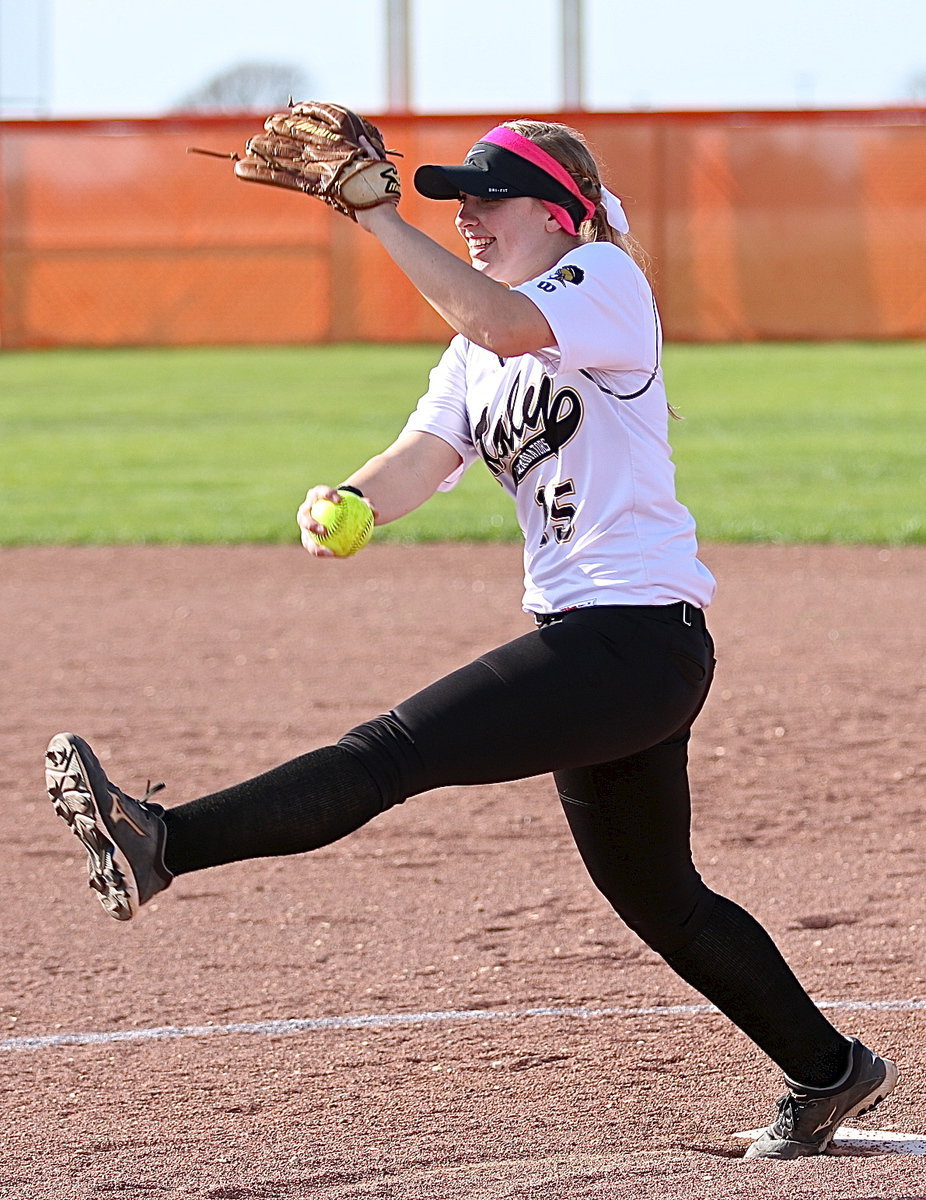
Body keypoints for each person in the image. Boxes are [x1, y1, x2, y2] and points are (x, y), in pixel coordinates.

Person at [45, 118, 896, 1160]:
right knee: (661, 900)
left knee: (392, 752)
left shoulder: (603, 283)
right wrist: (351, 497)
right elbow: (423, 450)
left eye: (484, 199)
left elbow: (499, 323)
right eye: (455, 200)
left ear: (555, 211)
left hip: (631, 641)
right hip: (604, 653)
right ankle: (827, 1071)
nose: (466, 216)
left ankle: (162, 843)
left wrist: (379, 221)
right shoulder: (473, 343)